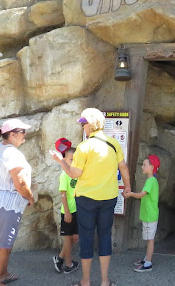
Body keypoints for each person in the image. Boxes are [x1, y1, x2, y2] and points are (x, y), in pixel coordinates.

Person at [50, 108, 131, 286]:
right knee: (104, 236)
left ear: (90, 125)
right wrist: (127, 187)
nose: (82, 127)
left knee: (86, 237)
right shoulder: (113, 144)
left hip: (86, 199)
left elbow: (73, 174)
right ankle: (104, 281)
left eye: (83, 123)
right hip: (109, 198)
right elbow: (123, 167)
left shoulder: (83, 147)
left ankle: (85, 282)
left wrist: (61, 161)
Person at [0, 118, 35, 286]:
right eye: (22, 132)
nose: (25, 135)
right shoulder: (12, 153)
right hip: (4, 205)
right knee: (0, 247)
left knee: (5, 244)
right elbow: (20, 182)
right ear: (12, 135)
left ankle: (2, 274)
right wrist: (30, 197)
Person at [124, 154, 160, 273]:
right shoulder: (151, 180)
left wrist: (130, 194)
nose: (142, 167)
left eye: (144, 165)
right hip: (148, 215)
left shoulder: (151, 181)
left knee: (150, 240)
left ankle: (148, 263)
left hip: (150, 216)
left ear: (152, 167)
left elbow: (141, 194)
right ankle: (146, 259)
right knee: (148, 238)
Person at [53, 138, 79, 274]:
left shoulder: (77, 174)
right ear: (64, 160)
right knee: (68, 238)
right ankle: (68, 264)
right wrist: (67, 212)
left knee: (75, 237)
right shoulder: (64, 175)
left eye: (75, 160)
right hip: (68, 211)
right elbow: (63, 195)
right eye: (70, 160)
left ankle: (60, 257)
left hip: (77, 211)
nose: (73, 162)